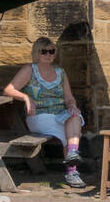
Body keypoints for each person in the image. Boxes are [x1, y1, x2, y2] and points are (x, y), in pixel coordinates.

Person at [5, 39, 85, 189]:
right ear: (37, 53)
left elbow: (68, 97)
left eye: (51, 51)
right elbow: (9, 89)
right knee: (70, 132)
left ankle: (72, 156)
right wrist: (26, 97)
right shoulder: (30, 70)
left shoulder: (61, 72)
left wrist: (72, 106)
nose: (48, 55)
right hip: (38, 116)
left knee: (75, 116)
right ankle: (72, 171)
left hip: (60, 114)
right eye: (44, 51)